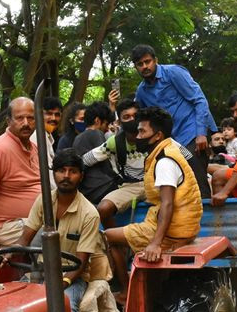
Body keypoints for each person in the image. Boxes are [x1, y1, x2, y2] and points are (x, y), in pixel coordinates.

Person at [15, 149, 106, 312]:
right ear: (53, 174)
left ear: (81, 176)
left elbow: (82, 261)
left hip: (71, 277)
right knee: (8, 306)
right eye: (61, 171)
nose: (66, 176)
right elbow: (25, 237)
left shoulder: (89, 213)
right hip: (40, 271)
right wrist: (7, 256)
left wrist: (62, 282)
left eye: (72, 171)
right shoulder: (43, 201)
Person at [104, 107, 203, 293]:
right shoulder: (168, 148)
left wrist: (155, 243)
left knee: (105, 237)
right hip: (180, 226)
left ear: (157, 136)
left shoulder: (164, 161)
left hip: (172, 231)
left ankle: (125, 291)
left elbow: (167, 203)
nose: (138, 135)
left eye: (142, 131)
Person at [130, 44, 216, 197]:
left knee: (193, 168)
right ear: (136, 67)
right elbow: (141, 119)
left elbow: (199, 100)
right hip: (171, 141)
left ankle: (205, 210)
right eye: (140, 64)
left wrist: (201, 133)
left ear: (155, 60)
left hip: (193, 130)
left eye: (147, 61)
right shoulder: (141, 91)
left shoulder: (173, 73)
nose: (145, 66)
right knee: (172, 175)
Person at [0, 97, 41, 261]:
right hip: (6, 226)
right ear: (8, 121)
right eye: (19, 118)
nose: (26, 123)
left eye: (30, 118)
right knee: (51, 236)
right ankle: (38, 281)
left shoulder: (33, 148)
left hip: (32, 221)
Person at [71, 101, 120, 205]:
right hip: (100, 188)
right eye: (106, 124)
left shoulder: (77, 137)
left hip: (86, 190)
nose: (107, 128)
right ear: (97, 121)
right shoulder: (96, 133)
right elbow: (106, 165)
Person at [33, 96, 63, 188]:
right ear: (39, 115)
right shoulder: (38, 137)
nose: (53, 118)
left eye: (57, 115)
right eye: (49, 114)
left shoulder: (47, 136)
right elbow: (47, 174)